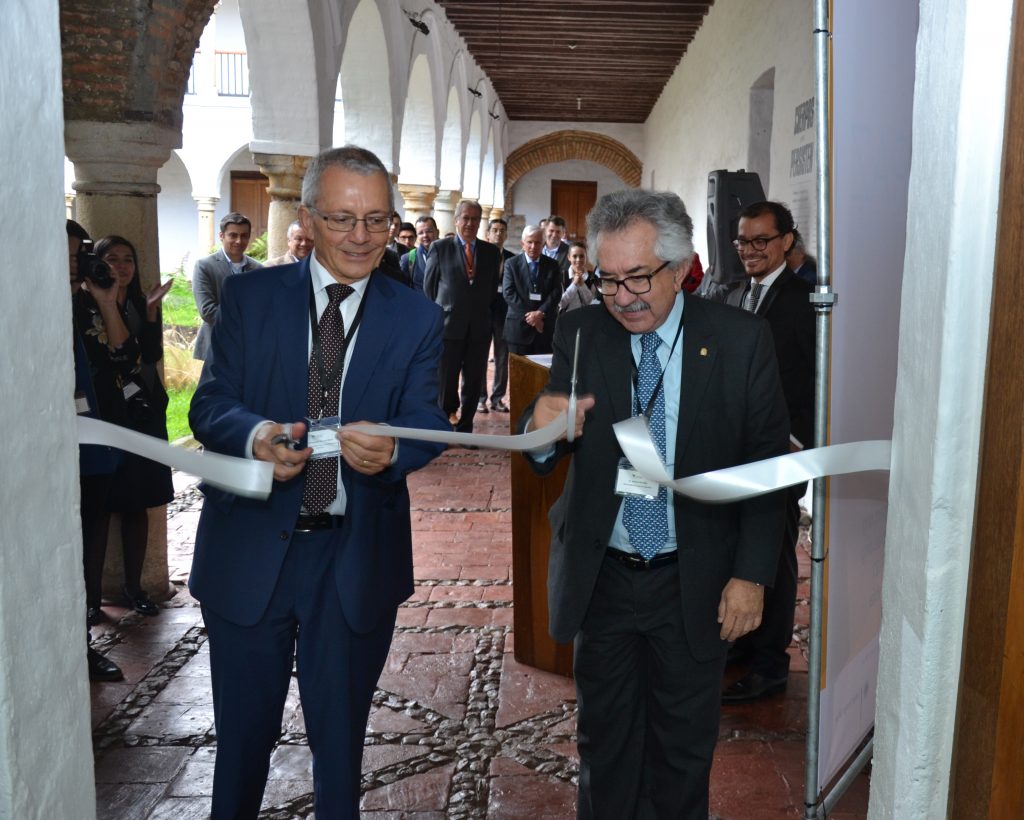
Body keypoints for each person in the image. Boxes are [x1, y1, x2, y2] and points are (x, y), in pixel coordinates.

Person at [188, 144, 449, 819]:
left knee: (341, 748)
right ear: (306, 216)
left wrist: (394, 450)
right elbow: (210, 405)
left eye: (377, 221)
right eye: (341, 220)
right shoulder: (248, 299)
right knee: (242, 741)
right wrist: (253, 437)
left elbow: (427, 419)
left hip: (354, 556)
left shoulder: (416, 316)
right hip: (249, 551)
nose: (361, 238)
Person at [520, 189, 789, 818]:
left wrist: (751, 575)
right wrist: (541, 425)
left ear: (680, 266)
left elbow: (766, 469)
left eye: (638, 277)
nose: (622, 297)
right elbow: (545, 443)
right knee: (603, 749)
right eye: (607, 279)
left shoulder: (741, 339)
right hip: (606, 575)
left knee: (682, 753)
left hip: (693, 579)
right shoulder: (581, 331)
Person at [715, 201, 815, 703]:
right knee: (740, 548)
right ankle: (743, 644)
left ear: (786, 242)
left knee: (772, 557)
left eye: (760, 241)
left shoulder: (806, 301)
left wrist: (800, 439)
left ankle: (772, 664)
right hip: (735, 452)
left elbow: (819, 376)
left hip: (783, 452)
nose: (749, 251)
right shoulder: (733, 296)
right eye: (742, 242)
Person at [94, 235, 175, 618]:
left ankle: (134, 587)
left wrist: (152, 313)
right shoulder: (89, 304)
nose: (121, 267)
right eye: (112, 259)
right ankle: (94, 598)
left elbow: (152, 355)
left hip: (141, 410)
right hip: (109, 410)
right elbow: (117, 355)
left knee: (140, 498)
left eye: (128, 259)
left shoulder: (139, 303)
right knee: (105, 502)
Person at [68, 219, 127, 682]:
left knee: (91, 534)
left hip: (97, 437)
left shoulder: (87, 306)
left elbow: (124, 355)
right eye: (66, 256)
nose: (74, 265)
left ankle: (82, 643)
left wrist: (106, 301)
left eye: (77, 256)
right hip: (52, 445)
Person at [422, 200, 500, 432]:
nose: (470, 223)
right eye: (465, 218)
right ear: (456, 220)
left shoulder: (491, 252)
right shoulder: (440, 248)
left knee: (474, 381)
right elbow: (429, 289)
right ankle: (445, 423)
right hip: (448, 327)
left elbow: (491, 288)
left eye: (475, 219)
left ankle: (466, 427)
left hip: (479, 328)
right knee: (446, 380)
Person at [191, 212, 262, 360]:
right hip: (216, 347)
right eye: (233, 235)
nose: (238, 240)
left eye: (244, 235)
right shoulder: (204, 266)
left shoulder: (258, 269)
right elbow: (207, 310)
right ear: (221, 236)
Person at [502, 224, 562, 355]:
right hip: (518, 329)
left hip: (544, 330)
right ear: (522, 243)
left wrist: (540, 313)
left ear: (543, 244)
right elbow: (509, 293)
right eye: (529, 242)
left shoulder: (553, 265)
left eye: (537, 243)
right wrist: (533, 317)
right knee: (518, 373)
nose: (533, 247)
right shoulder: (511, 264)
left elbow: (556, 292)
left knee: (542, 373)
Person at [477, 218, 516, 414]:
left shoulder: (512, 258)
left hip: (503, 313)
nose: (498, 234)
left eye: (502, 231)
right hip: (482, 312)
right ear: (488, 234)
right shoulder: (478, 255)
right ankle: (481, 398)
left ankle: (498, 398)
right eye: (495, 230)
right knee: (480, 356)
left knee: (502, 357)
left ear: (506, 235)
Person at [399, 215, 439, 291]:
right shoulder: (408, 259)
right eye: (420, 233)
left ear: (437, 232)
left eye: (428, 231)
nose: (425, 235)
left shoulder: (448, 255)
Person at [557, 241, 598, 314]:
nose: (578, 259)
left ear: (586, 257)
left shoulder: (593, 277)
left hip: (586, 318)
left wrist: (582, 284)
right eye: (575, 256)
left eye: (582, 256)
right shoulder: (561, 276)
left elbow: (592, 303)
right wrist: (574, 284)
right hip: (567, 319)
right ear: (569, 257)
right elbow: (561, 303)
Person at [542, 214, 571, 283]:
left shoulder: (570, 251)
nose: (554, 235)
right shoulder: (536, 248)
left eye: (558, 232)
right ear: (545, 231)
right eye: (551, 231)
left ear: (563, 233)